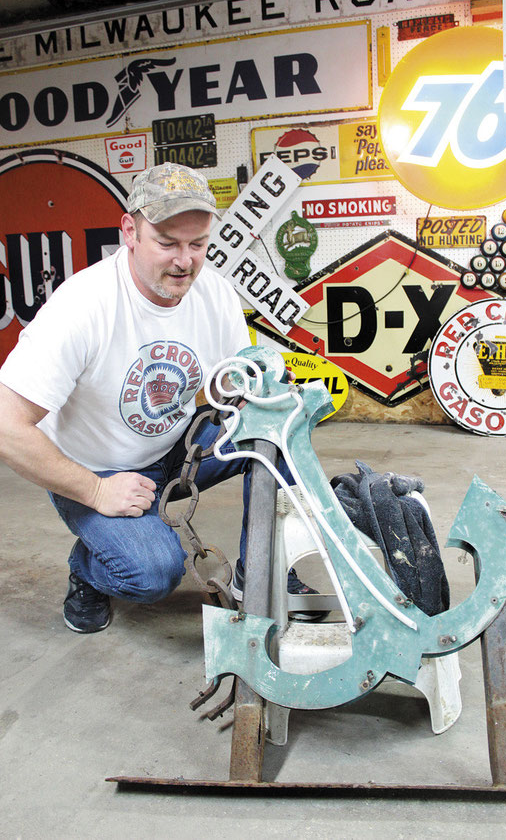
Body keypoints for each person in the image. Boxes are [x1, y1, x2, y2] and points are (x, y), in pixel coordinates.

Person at [0, 163, 319, 634]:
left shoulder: (214, 292)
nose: (185, 261)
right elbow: (7, 426)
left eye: (198, 244)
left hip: (175, 448)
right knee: (151, 574)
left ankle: (263, 575)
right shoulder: (83, 305)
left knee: (280, 428)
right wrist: (95, 491)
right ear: (130, 231)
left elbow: (220, 387)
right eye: (167, 243)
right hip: (97, 468)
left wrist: (253, 390)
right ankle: (88, 570)